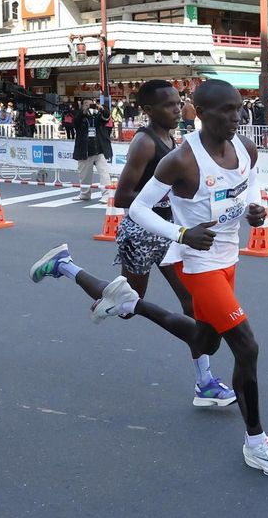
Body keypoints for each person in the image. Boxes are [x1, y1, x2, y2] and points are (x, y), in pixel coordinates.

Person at [33, 80, 268, 477]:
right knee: (246, 347)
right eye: (227, 110)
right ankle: (257, 442)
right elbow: (134, 206)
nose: (237, 116)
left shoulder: (245, 146)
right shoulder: (181, 160)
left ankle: (128, 304)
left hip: (228, 260)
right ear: (201, 114)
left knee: (204, 338)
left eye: (239, 108)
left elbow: (249, 181)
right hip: (197, 263)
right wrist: (181, 233)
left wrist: (257, 208)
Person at [30, 81, 235, 406]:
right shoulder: (144, 142)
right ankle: (64, 265)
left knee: (192, 305)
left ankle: (205, 382)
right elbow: (123, 195)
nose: (177, 109)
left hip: (168, 230)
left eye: (178, 102)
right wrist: (168, 192)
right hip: (141, 232)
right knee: (125, 304)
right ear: (148, 111)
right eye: (169, 105)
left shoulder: (172, 137)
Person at [72, 99, 113, 202]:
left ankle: (106, 195)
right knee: (84, 175)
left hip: (100, 149)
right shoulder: (79, 116)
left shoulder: (98, 115)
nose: (89, 105)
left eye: (91, 104)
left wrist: (102, 109)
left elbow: (106, 118)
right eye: (86, 104)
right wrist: (83, 113)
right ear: (82, 106)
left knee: (104, 173)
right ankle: (85, 194)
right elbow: (75, 124)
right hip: (84, 150)